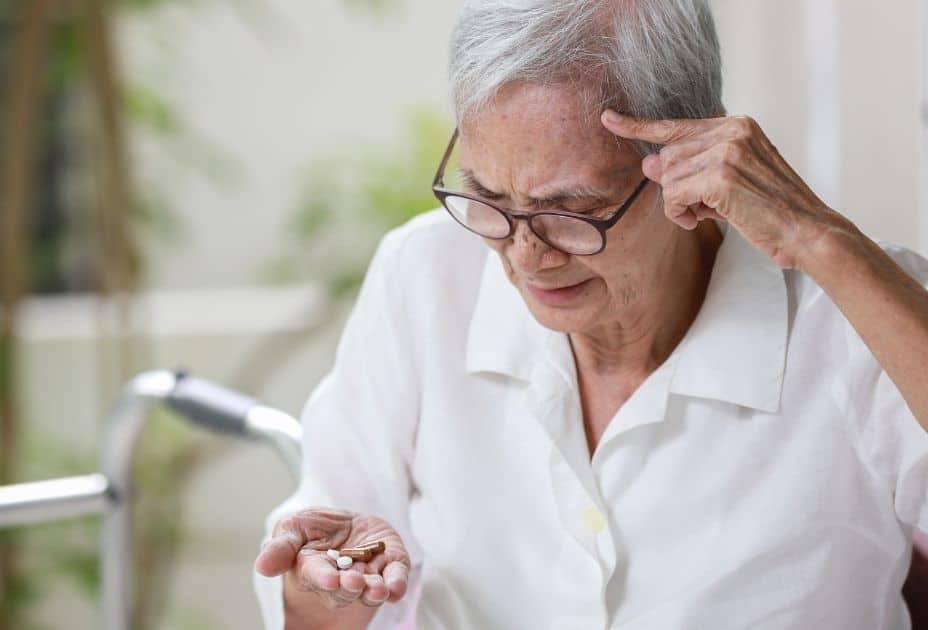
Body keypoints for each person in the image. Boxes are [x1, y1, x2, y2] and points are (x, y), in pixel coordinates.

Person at [252, 1, 928, 628]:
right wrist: (323, 590)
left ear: (696, 158)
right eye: (487, 196)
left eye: (571, 211)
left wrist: (821, 241)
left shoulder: (854, 311)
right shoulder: (425, 276)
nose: (525, 254)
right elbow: (328, 577)